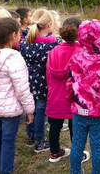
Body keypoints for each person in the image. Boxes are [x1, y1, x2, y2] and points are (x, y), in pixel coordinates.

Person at [67, 19, 100, 174]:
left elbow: (69, 82)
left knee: (77, 144)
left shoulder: (75, 58)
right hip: (99, 114)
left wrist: (71, 100)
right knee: (97, 147)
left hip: (78, 111)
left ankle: (75, 171)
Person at [0, 17, 35, 174]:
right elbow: (22, 90)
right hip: (9, 111)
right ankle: (6, 170)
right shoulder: (14, 58)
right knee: (8, 141)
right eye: (18, 34)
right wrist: (30, 110)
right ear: (13, 35)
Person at [46, 17, 90, 163]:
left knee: (54, 127)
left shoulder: (53, 51)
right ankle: (77, 154)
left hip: (55, 96)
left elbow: (48, 75)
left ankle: (54, 153)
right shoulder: (80, 52)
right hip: (73, 97)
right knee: (75, 128)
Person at [20, 9, 61, 153]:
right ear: (49, 24)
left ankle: (30, 136)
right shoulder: (54, 44)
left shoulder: (25, 43)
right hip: (45, 82)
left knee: (30, 107)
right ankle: (39, 141)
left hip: (29, 80)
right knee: (41, 110)